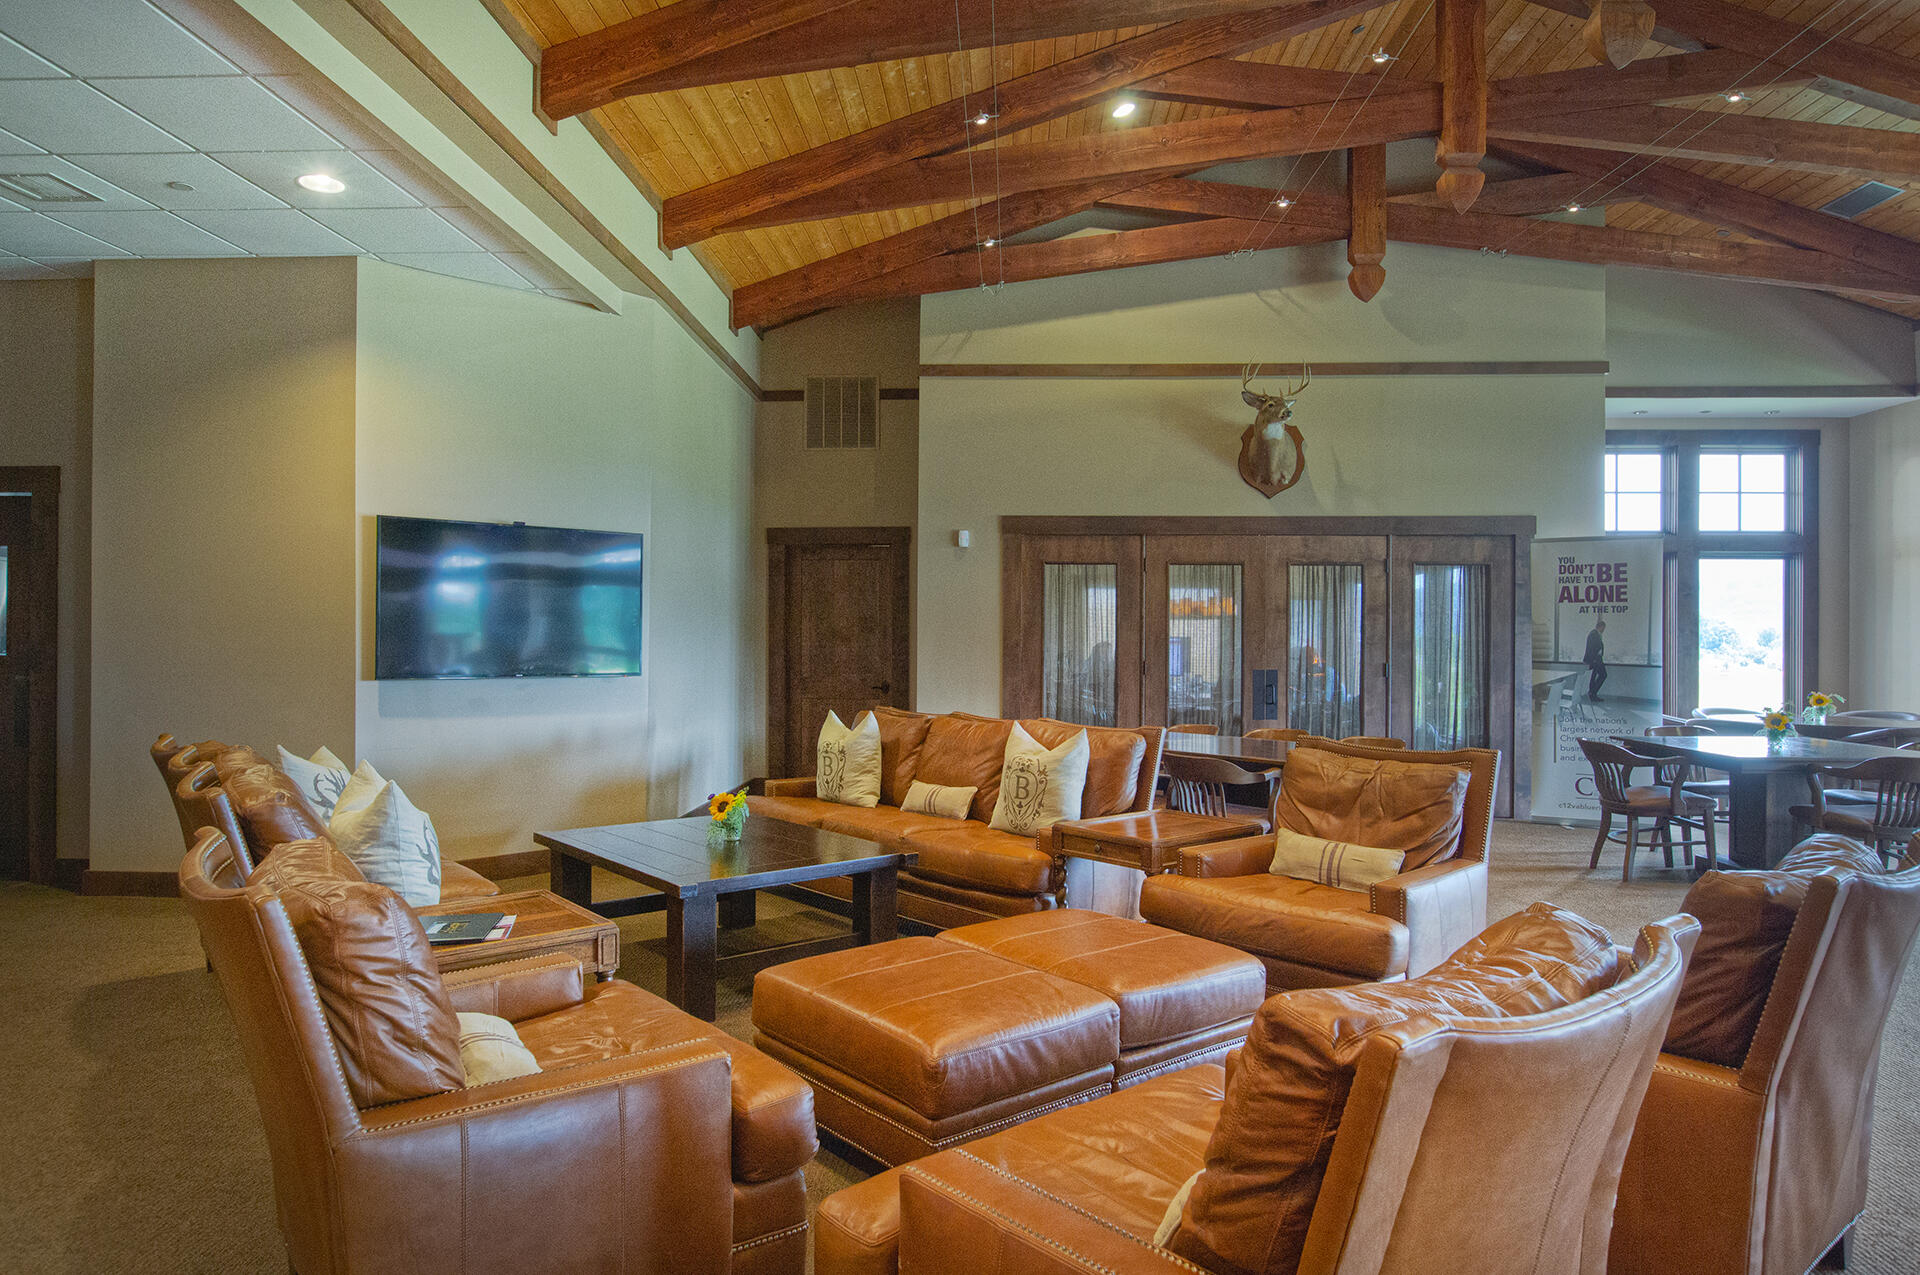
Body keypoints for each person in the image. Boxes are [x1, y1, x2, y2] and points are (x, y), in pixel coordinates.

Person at [1584, 619, 1608, 702]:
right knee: (1603, 675)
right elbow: (1592, 648)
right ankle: (1592, 693)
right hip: (1595, 660)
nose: (1603, 630)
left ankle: (1592, 694)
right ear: (1600, 627)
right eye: (1603, 628)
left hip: (1595, 660)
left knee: (1593, 677)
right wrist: (1594, 659)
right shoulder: (1593, 634)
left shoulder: (1595, 634)